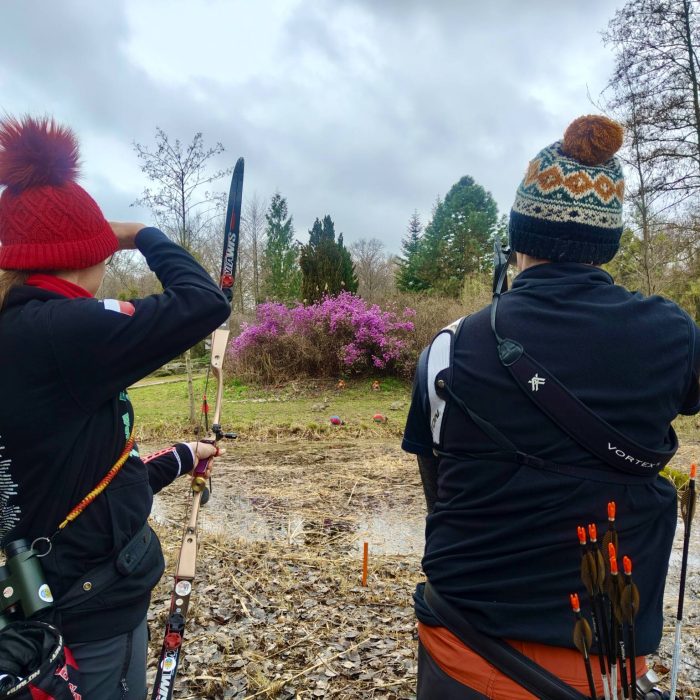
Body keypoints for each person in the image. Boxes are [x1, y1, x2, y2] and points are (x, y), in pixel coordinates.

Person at [403, 115, 700, 699]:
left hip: (461, 651)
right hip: (604, 667)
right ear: (608, 242)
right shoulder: (674, 335)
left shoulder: (450, 348)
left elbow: (439, 495)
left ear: (517, 238)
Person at [0, 116, 231, 698]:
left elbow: (76, 472)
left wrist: (183, 457)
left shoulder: (22, 330)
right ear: (87, 254)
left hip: (56, 592)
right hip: (88, 609)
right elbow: (204, 302)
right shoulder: (62, 332)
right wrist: (144, 234)